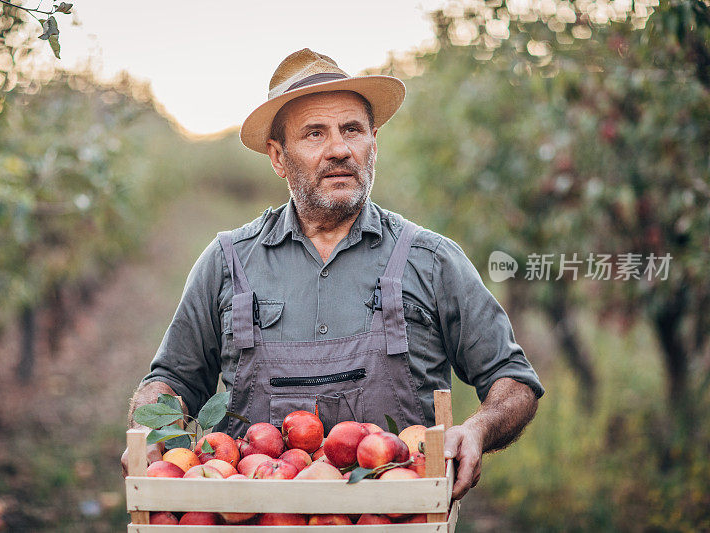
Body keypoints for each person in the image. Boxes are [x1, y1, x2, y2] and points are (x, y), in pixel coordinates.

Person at [121, 48, 544, 501]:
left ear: (373, 143)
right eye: (314, 133)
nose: (339, 149)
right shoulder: (227, 264)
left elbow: (513, 379)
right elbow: (171, 382)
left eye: (352, 130)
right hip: (257, 521)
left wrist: (477, 428)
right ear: (278, 157)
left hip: (398, 518)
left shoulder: (431, 260)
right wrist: (149, 432)